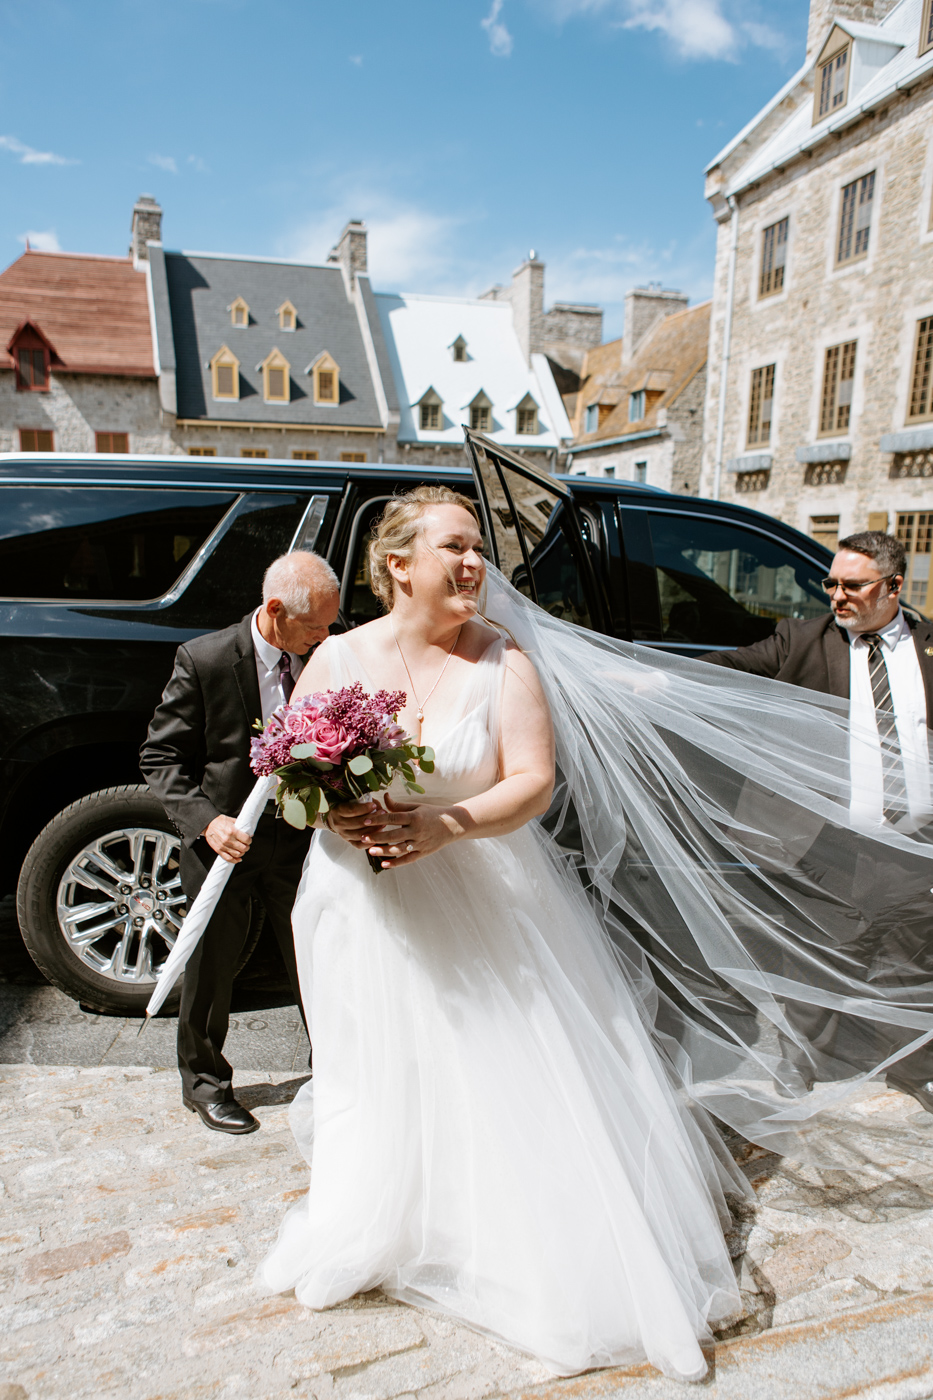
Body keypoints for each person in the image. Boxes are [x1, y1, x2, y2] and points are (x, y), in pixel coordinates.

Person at [259, 488, 747, 1381]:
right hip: (356, 903)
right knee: (377, 1061)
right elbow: (300, 779)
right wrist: (346, 821)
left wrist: (444, 826)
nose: (475, 563)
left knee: (491, 1064)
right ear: (398, 563)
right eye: (455, 546)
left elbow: (531, 782)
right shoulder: (333, 658)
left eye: (479, 547)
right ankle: (374, 1222)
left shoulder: (503, 662)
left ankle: (505, 1238)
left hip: (481, 892)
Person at [701, 531, 933, 1111]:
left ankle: (915, 1071)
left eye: (853, 584)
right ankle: (798, 1073)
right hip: (832, 842)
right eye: (831, 582)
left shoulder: (928, 646)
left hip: (916, 842)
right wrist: (647, 677)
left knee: (914, 957)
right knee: (820, 952)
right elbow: (729, 669)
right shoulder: (801, 641)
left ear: (894, 586)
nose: (837, 595)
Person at [140, 550, 339, 1134]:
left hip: (304, 838)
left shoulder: (326, 653)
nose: (327, 637)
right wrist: (207, 821)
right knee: (211, 964)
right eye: (316, 626)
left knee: (320, 956)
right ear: (275, 611)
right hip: (226, 841)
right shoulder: (203, 659)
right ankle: (204, 1083)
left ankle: (334, 1075)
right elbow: (161, 756)